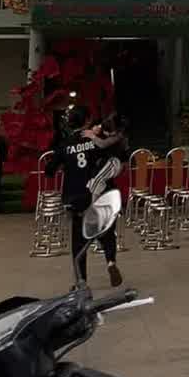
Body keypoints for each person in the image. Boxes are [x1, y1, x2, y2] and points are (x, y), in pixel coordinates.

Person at [46, 104, 125, 286]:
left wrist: (64, 164)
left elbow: (49, 170)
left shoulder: (65, 145)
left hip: (76, 197)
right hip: (99, 194)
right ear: (87, 120)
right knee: (107, 231)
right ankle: (111, 262)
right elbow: (115, 153)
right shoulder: (95, 140)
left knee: (79, 241)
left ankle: (81, 281)